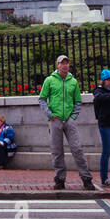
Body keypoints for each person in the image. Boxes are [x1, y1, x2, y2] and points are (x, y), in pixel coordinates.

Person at [37, 55, 96, 190]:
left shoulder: (73, 81)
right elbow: (42, 99)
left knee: (77, 149)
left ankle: (86, 179)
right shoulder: (49, 80)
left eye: (67, 63)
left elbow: (78, 101)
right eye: (62, 63)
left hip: (69, 119)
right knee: (57, 151)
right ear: (57, 65)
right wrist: (49, 114)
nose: (65, 65)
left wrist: (73, 116)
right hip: (55, 119)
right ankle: (60, 179)